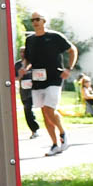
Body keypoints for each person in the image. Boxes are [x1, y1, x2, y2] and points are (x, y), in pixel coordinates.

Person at [21, 12, 76, 155]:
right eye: (32, 20)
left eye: (38, 19)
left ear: (44, 21)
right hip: (38, 79)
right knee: (45, 113)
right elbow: (28, 59)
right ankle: (54, 144)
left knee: (49, 108)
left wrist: (69, 68)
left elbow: (72, 50)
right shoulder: (30, 40)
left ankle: (63, 133)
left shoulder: (54, 36)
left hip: (54, 78)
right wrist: (24, 68)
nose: (35, 22)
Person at [14, 56, 41, 139]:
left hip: (35, 90)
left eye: (24, 51)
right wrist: (20, 76)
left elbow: (40, 75)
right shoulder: (17, 65)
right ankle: (34, 129)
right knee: (27, 109)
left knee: (46, 109)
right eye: (21, 52)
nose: (23, 54)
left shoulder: (34, 62)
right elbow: (14, 78)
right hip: (25, 92)